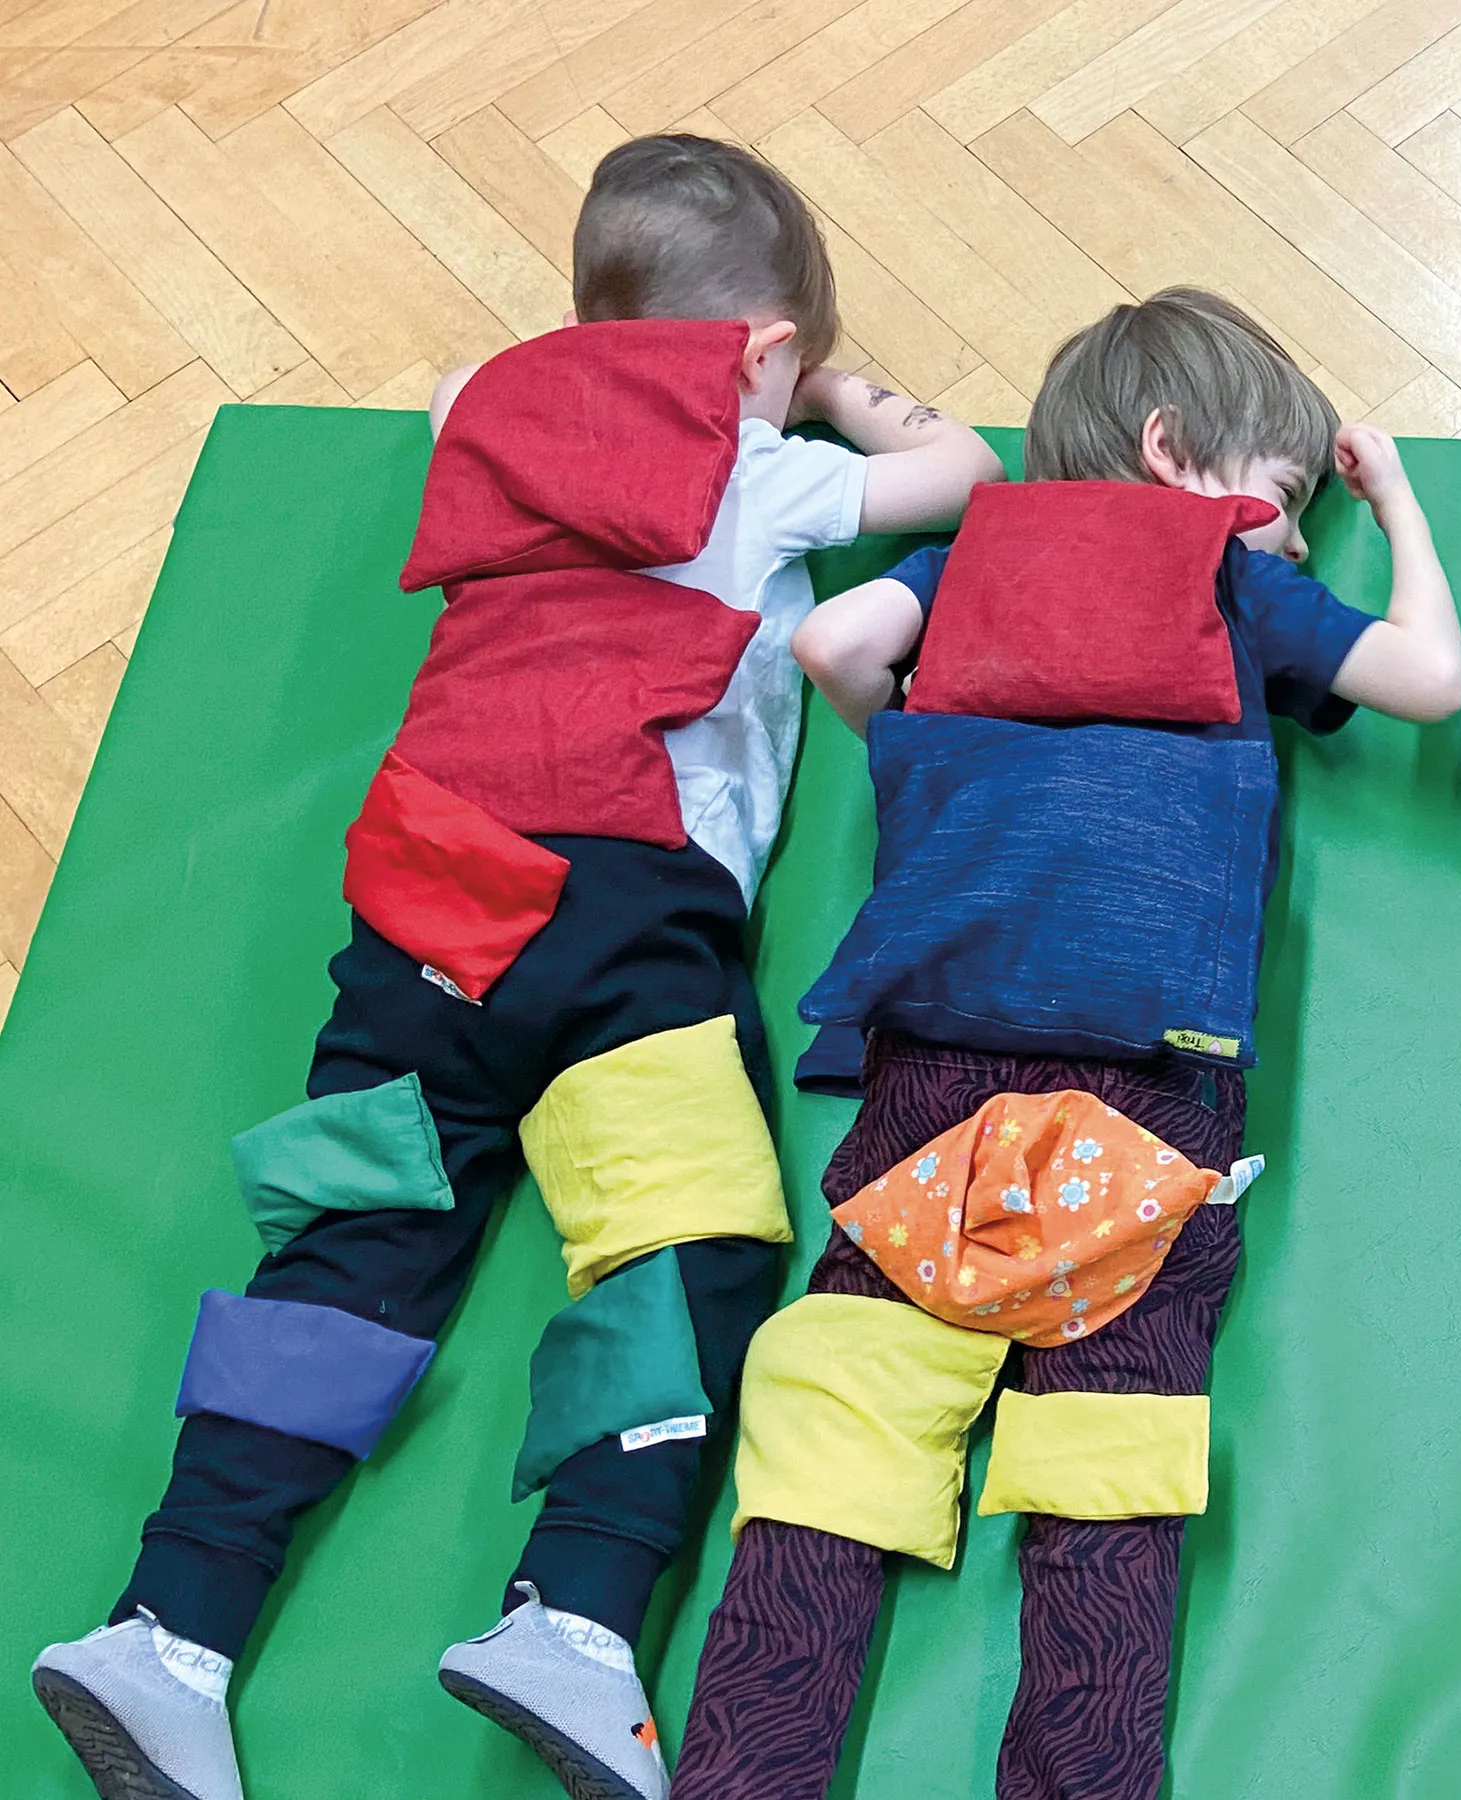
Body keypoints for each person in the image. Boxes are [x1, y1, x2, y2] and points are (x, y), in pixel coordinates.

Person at [31, 133, 998, 1800]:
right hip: (621, 907)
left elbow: (472, 370)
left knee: (356, 1230)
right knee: (679, 1248)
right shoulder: (756, 465)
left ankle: (164, 1626)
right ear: (760, 351)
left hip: (426, 887)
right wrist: (836, 395)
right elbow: (965, 470)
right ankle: (577, 1615)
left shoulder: (484, 415)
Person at [667, 287, 1461, 1800]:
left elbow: (837, 642)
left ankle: (742, 1772)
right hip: (1153, 1072)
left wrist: (923, 756)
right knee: (1109, 1449)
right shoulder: (1228, 573)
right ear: (1172, 455)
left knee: (850, 1405)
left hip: (934, 1042)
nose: (1289, 534)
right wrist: (1399, 501)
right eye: (1283, 500)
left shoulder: (972, 547)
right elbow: (1431, 683)